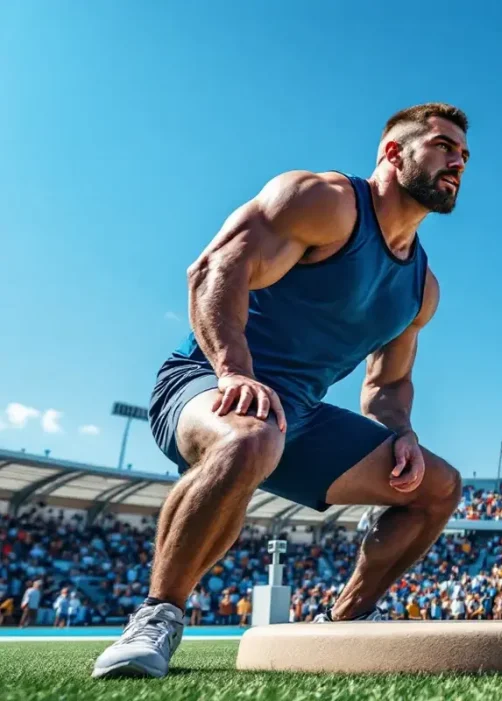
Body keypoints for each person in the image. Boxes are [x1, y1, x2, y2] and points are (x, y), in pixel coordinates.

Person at [92, 102, 471, 679]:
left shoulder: (422, 289)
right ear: (394, 154)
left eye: (465, 155)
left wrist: (403, 434)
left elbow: (388, 383)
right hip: (204, 382)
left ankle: (344, 625)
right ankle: (156, 617)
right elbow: (215, 267)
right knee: (250, 439)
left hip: (297, 417)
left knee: (437, 488)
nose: (459, 162)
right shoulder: (325, 201)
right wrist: (233, 369)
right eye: (444, 146)